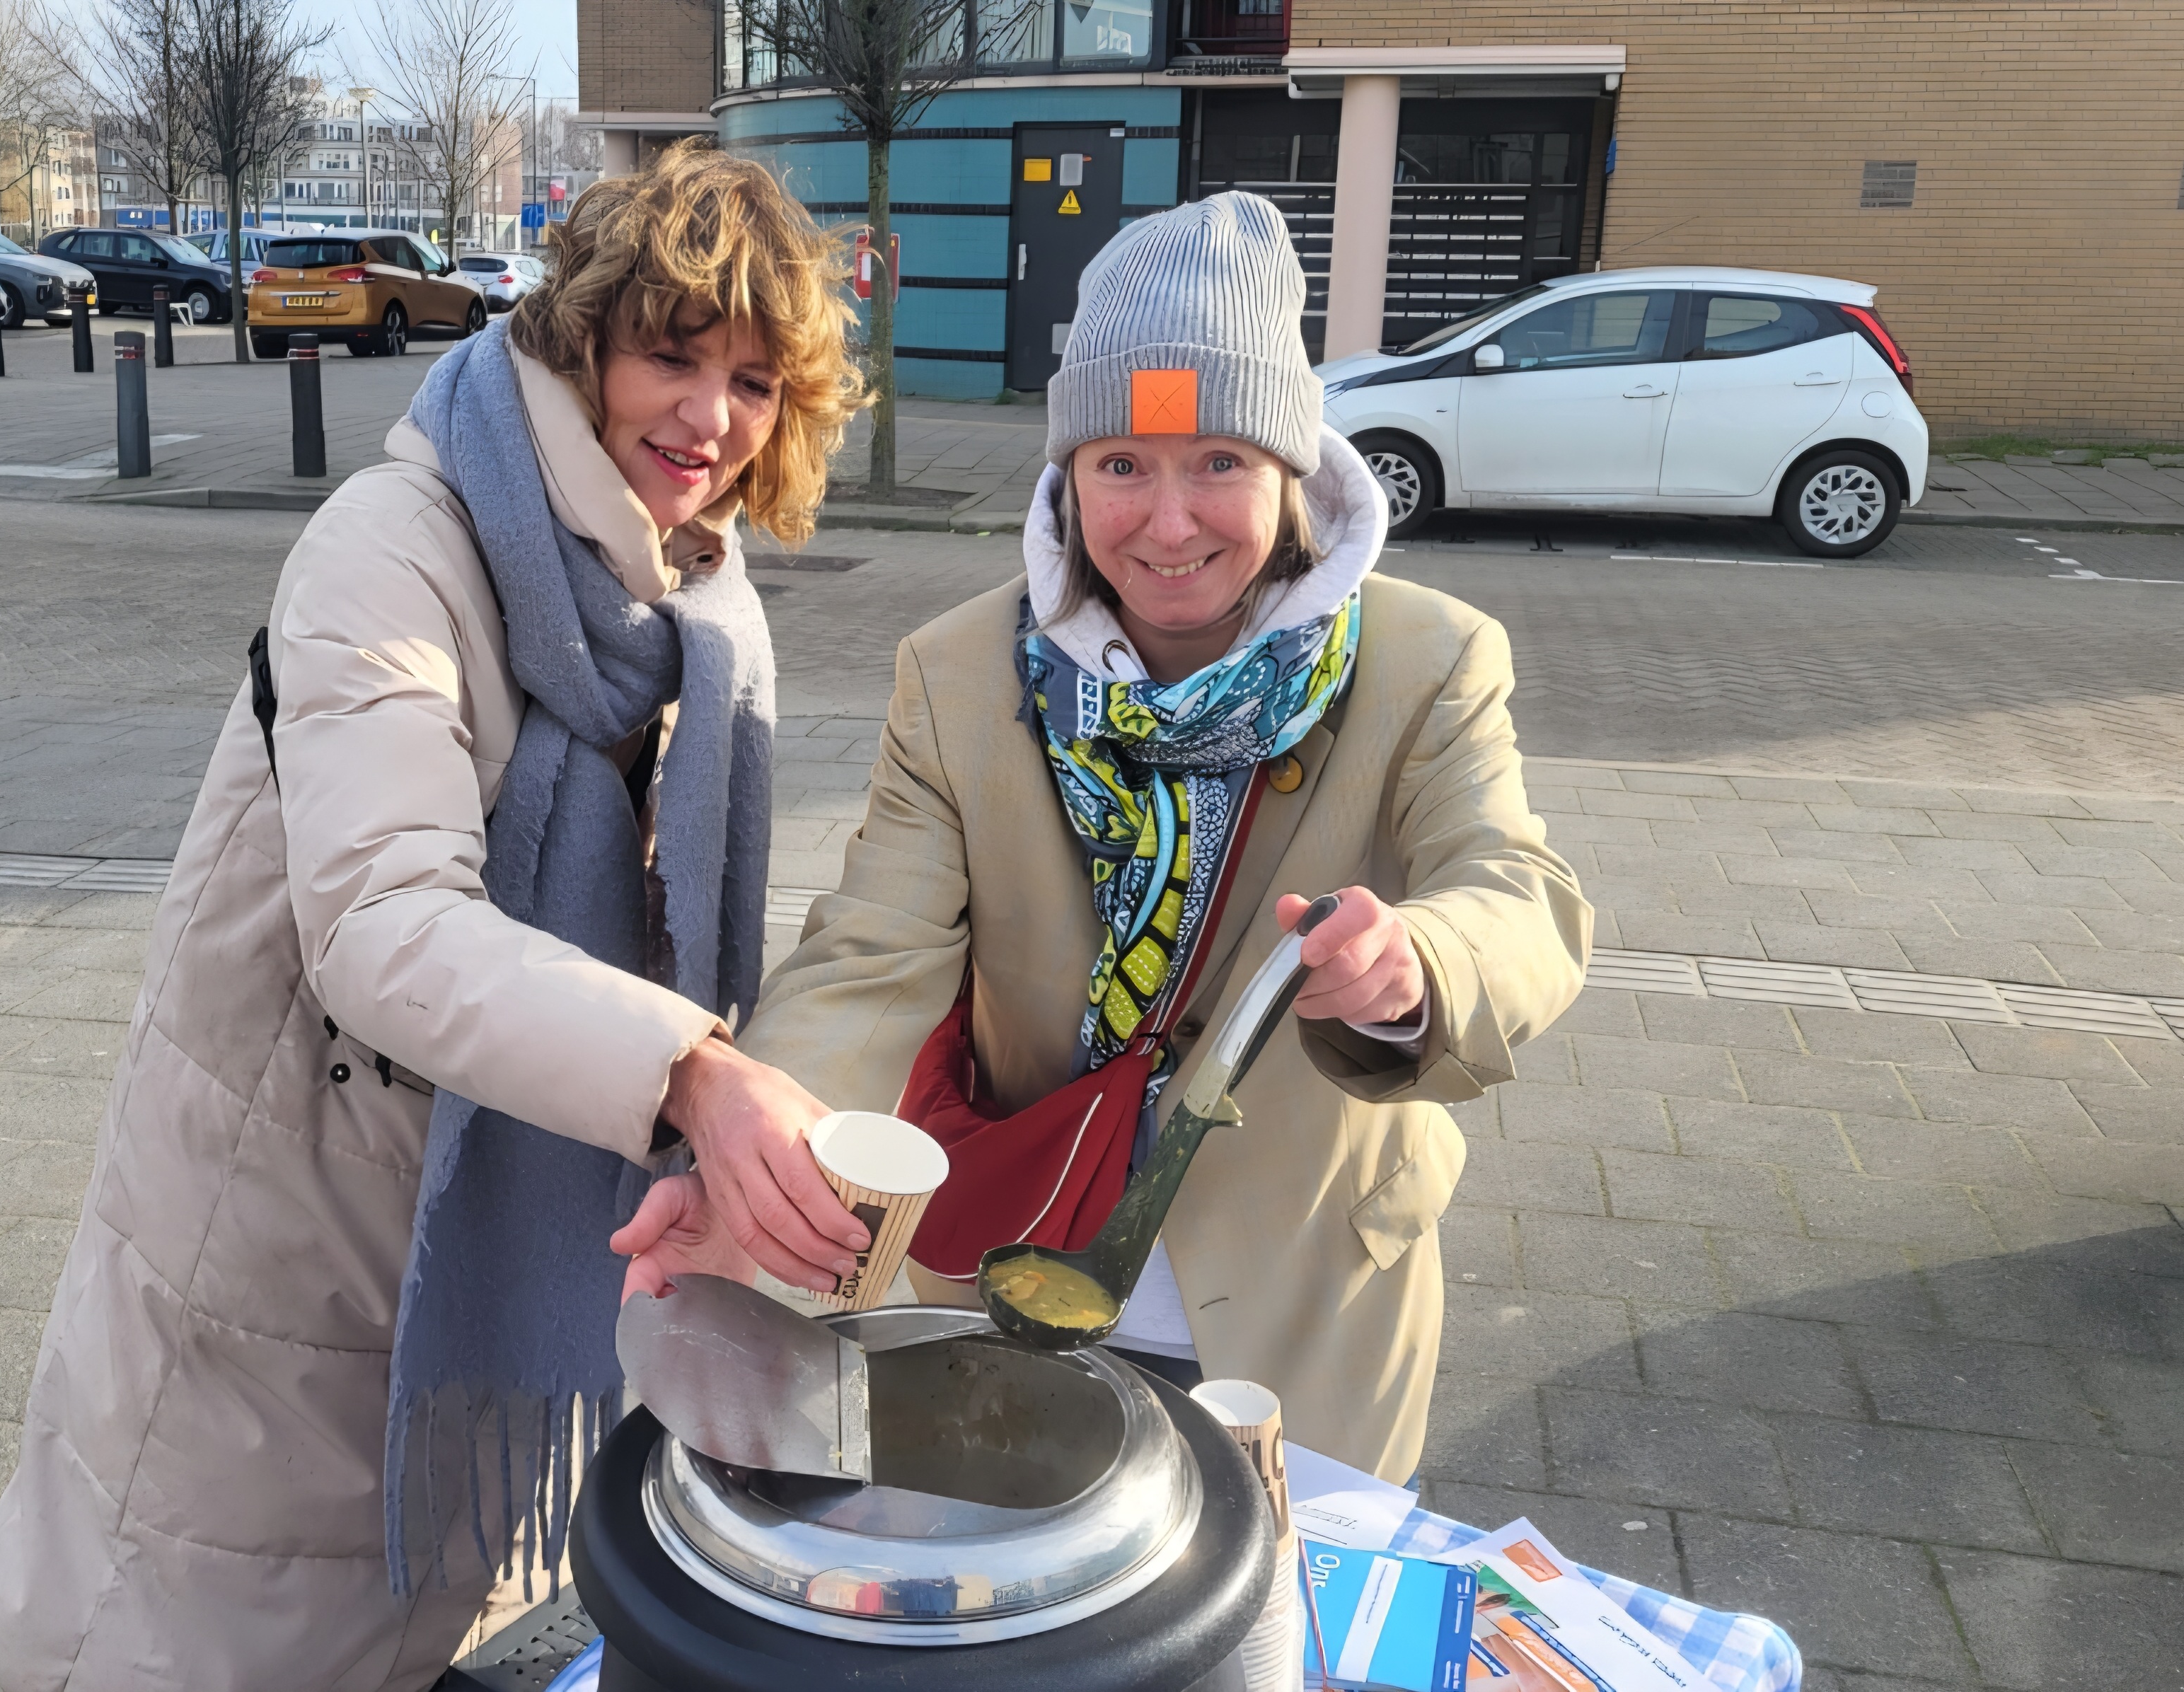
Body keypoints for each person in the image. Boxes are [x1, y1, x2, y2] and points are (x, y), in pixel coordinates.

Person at [0, 147, 869, 1692]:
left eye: (753, 380)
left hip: (496, 1206)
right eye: (672, 353)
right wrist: (690, 1074)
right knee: (194, 1620)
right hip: (294, 1216)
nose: (709, 420)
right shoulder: (396, 543)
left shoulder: (703, 608)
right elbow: (384, 921)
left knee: (401, 1617)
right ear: (583, 335)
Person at [619, 192, 1590, 1483]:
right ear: (1068, 477)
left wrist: (1419, 962)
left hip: (1307, 1302)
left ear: (1292, 469)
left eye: (1220, 462)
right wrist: (764, 1158)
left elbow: (1519, 890)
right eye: (1122, 463)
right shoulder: (962, 672)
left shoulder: (1430, 660)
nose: (1168, 522)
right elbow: (871, 949)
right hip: (1013, 1270)